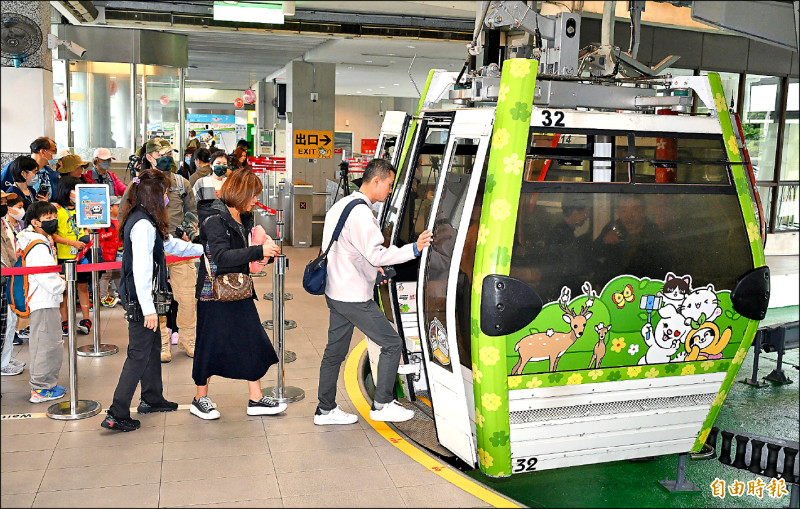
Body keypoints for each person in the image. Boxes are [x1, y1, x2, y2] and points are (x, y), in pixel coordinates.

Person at [315, 158, 433, 426]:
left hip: (336, 290)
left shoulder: (343, 205)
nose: (389, 191)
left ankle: (325, 409)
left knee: (334, 352)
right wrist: (414, 248)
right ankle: (382, 404)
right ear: (376, 181)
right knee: (392, 343)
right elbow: (376, 254)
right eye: (389, 185)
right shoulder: (362, 214)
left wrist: (371, 271)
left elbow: (346, 250)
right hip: (353, 297)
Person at [102, 169, 204, 432]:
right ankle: (117, 412)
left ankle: (152, 397)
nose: (168, 198)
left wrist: (205, 248)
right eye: (166, 193)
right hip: (140, 300)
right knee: (138, 354)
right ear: (155, 196)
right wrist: (148, 310)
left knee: (151, 349)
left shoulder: (145, 219)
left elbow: (170, 246)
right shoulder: (144, 225)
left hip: (143, 299)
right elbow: (142, 271)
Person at [190, 169, 286, 420]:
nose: (255, 200)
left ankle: (256, 399)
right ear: (241, 193)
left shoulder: (244, 218)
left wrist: (262, 252)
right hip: (214, 295)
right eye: (253, 195)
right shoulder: (214, 219)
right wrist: (257, 250)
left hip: (238, 290)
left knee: (251, 341)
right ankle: (199, 398)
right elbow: (221, 257)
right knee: (208, 346)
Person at [135, 137, 198, 362]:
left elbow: (193, 212)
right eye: (161, 156)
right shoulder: (139, 184)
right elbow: (129, 215)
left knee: (188, 297)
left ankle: (188, 339)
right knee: (157, 298)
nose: (167, 159)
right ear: (149, 158)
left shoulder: (182, 183)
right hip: (153, 252)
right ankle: (162, 342)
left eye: (169, 154)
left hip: (180, 251)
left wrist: (185, 229)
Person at [17, 201, 67, 403]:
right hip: (43, 301)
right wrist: (62, 285)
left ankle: (47, 383)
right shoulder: (38, 246)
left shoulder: (39, 240)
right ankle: (40, 388)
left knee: (49, 343)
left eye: (54, 218)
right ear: (36, 222)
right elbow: (46, 277)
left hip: (46, 300)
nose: (53, 221)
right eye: (48, 219)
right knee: (45, 345)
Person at [594, 194, 669, 282]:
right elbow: (592, 255)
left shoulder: (654, 233)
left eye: (635, 209)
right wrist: (604, 241)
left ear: (644, 211)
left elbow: (664, 269)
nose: (629, 216)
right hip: (614, 288)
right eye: (623, 210)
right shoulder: (612, 228)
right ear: (618, 212)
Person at [51, 176, 93, 335]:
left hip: (82, 256)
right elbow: (53, 235)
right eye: (75, 190)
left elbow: (87, 228)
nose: (77, 193)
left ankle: (86, 318)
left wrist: (87, 235)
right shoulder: (57, 211)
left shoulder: (82, 208)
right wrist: (72, 243)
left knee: (83, 287)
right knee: (64, 290)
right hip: (64, 256)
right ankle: (65, 321)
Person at [1, 191, 26, 376]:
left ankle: (6, 356)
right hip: (4, 276)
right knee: (4, 323)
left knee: (10, 322)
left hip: (10, 275)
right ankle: (2, 362)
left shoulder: (4, 222)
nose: (3, 204)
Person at [98, 196, 123, 308]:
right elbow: (100, 237)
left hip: (118, 251)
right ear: (110, 208)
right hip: (107, 252)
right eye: (117, 206)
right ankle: (103, 297)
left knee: (118, 273)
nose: (119, 208)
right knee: (106, 275)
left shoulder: (119, 219)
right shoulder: (104, 222)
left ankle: (121, 293)